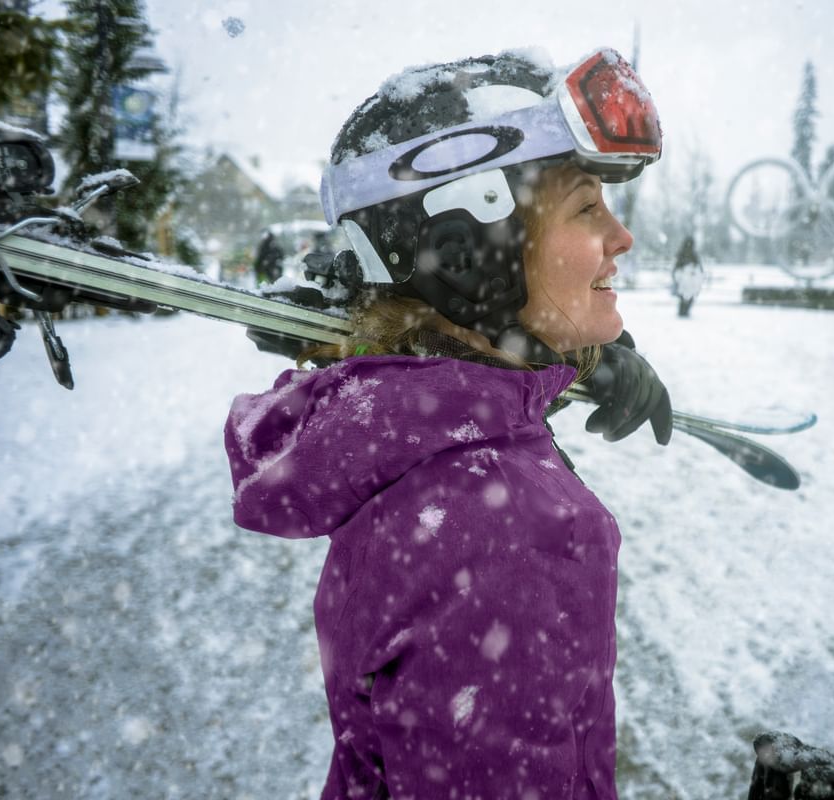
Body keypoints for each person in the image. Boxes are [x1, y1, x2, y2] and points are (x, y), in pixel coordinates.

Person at [224, 48, 672, 798]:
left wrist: (586, 359)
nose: (621, 237)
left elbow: (458, 379)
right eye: (587, 207)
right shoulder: (506, 531)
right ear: (469, 257)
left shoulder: (416, 439)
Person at [671, 234, 706, 317]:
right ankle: (684, 310)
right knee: (687, 296)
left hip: (687, 279)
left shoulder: (683, 254)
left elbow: (676, 266)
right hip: (686, 279)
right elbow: (699, 267)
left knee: (684, 296)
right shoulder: (690, 254)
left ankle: (683, 310)